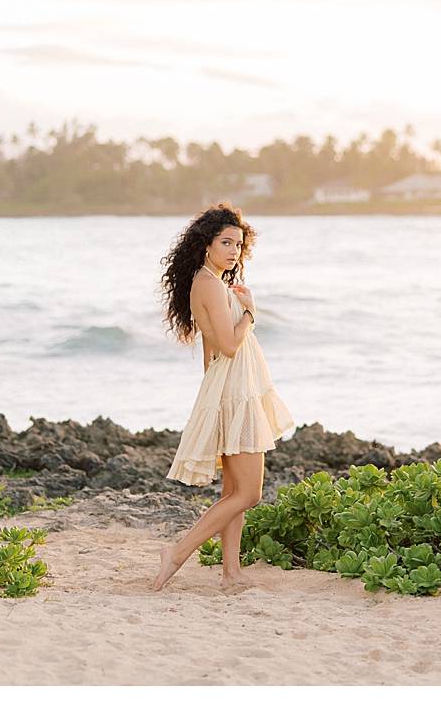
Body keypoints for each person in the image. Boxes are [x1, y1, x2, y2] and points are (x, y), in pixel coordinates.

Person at [152, 203, 293, 591]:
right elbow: (230, 345)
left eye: (239, 244)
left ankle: (231, 572)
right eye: (225, 242)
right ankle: (177, 554)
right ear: (206, 244)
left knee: (233, 492)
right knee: (249, 493)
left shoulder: (207, 281)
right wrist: (250, 313)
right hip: (236, 391)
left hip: (230, 390)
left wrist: (211, 396)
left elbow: (209, 351)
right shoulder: (211, 284)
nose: (233, 251)